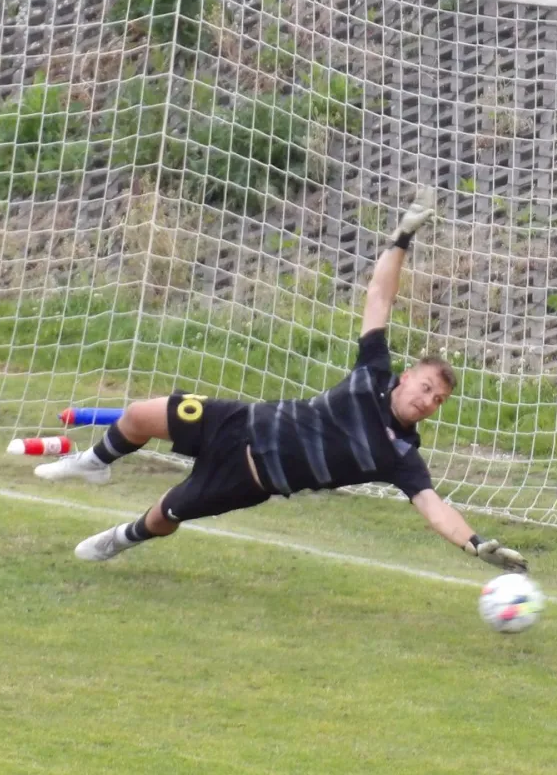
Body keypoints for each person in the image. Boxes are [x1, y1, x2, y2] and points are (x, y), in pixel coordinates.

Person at [36, 185, 529, 572]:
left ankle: (121, 538)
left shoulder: (401, 458)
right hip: (239, 422)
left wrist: (475, 543)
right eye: (426, 387)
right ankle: (94, 463)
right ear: (405, 378)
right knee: (140, 415)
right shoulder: (372, 373)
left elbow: (434, 508)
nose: (428, 400)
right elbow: (379, 297)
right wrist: (401, 237)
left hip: (247, 479)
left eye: (438, 400)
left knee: (164, 515)